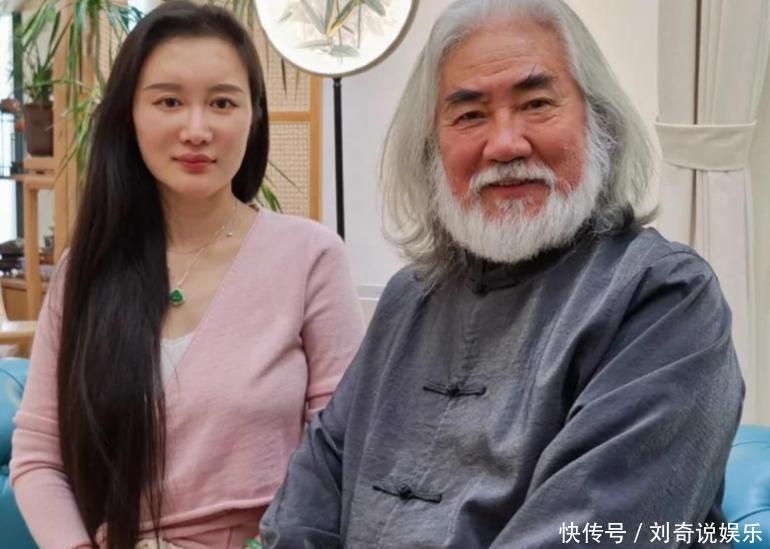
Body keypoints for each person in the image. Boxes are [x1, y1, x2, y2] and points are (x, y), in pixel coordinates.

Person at [259, 0, 744, 547]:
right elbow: (309, 494)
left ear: (599, 121)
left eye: (536, 104)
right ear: (431, 148)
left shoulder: (663, 297)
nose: (506, 144)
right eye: (469, 115)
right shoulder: (411, 297)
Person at [10, 2, 365, 548]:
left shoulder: (311, 257)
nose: (196, 130)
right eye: (169, 101)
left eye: (222, 102)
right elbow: (38, 457)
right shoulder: (87, 270)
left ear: (254, 116)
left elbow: (345, 456)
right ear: (130, 114)